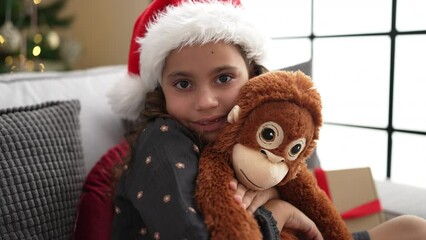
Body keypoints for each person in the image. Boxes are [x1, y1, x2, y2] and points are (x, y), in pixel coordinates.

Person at [107, 0, 426, 239]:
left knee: (412, 228)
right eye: (183, 84)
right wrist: (278, 212)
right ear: (160, 92)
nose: (206, 102)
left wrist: (274, 193)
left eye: (223, 78)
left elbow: (302, 192)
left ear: (253, 76)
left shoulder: (257, 127)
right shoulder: (162, 140)